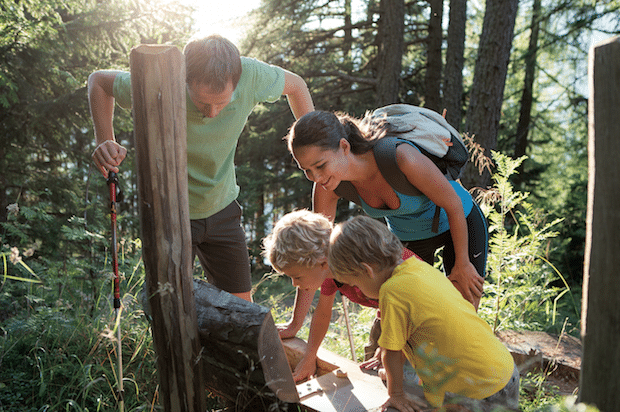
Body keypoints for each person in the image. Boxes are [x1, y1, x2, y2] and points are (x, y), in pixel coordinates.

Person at [89, 34, 314, 302]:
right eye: (203, 102)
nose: (212, 113)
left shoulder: (251, 74)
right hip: (170, 214)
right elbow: (99, 82)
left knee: (242, 310)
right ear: (185, 79)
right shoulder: (160, 80)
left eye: (222, 102)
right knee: (170, 307)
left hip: (223, 210)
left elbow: (297, 85)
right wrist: (105, 139)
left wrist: (312, 145)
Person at [285, 110, 488, 311]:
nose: (316, 178)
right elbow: (315, 249)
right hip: (409, 239)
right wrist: (296, 324)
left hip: (459, 223)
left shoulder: (401, 157)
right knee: (410, 316)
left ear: (344, 146)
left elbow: (453, 204)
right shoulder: (328, 185)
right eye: (307, 171)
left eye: (320, 166)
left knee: (463, 310)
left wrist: (462, 264)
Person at [328, 215, 519, 412]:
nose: (357, 291)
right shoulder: (417, 268)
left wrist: (396, 395)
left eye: (355, 284)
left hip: (474, 390)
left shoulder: (391, 291)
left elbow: (391, 353)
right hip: (502, 370)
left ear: (367, 270)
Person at [261, 209, 417, 382]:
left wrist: (392, 345)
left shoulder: (366, 262)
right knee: (373, 371)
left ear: (322, 262)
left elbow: (410, 305)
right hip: (389, 313)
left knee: (409, 379)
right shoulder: (328, 271)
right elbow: (322, 314)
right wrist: (309, 356)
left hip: (418, 316)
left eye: (297, 277)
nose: (294, 284)